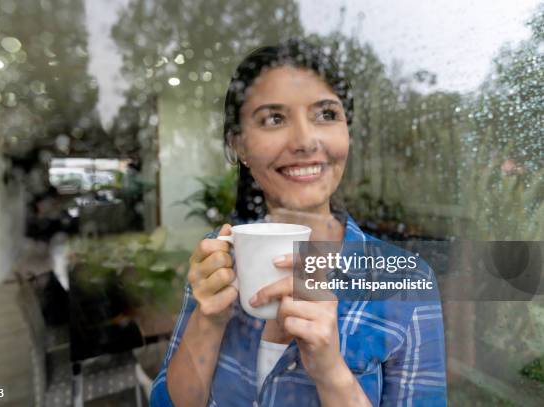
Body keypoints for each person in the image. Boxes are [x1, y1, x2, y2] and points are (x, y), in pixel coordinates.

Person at [150, 39, 446, 406]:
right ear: (239, 146)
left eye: (326, 114)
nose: (306, 141)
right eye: (274, 119)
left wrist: (330, 370)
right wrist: (208, 321)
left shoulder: (406, 281)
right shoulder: (219, 257)